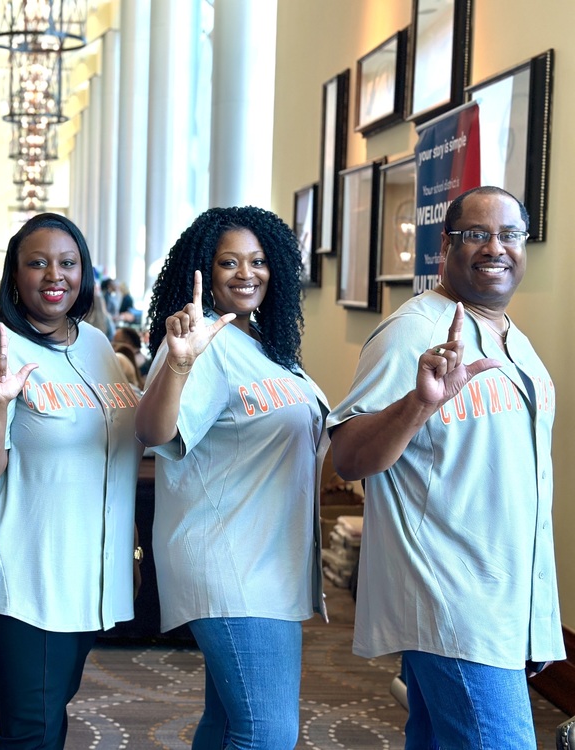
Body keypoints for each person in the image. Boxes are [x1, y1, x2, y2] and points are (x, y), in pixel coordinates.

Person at [327, 186, 563, 748]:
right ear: (446, 245)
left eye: (509, 234)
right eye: (476, 234)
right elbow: (349, 457)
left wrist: (534, 614)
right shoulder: (413, 332)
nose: (495, 248)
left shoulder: (515, 340)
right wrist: (418, 404)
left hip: (502, 597)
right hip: (453, 597)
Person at [135, 206, 329, 749]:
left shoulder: (268, 346)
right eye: (229, 262)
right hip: (230, 562)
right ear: (203, 271)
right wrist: (177, 364)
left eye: (259, 260)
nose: (247, 273)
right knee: (267, 733)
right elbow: (154, 431)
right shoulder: (201, 343)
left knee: (227, 724)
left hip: (268, 558)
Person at [0, 212, 140, 749]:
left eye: (68, 263)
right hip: (23, 568)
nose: (55, 275)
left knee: (49, 712)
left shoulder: (96, 344)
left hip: (85, 566)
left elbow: (112, 450)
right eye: (37, 263)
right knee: (32, 727)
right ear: (14, 273)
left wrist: (129, 547)